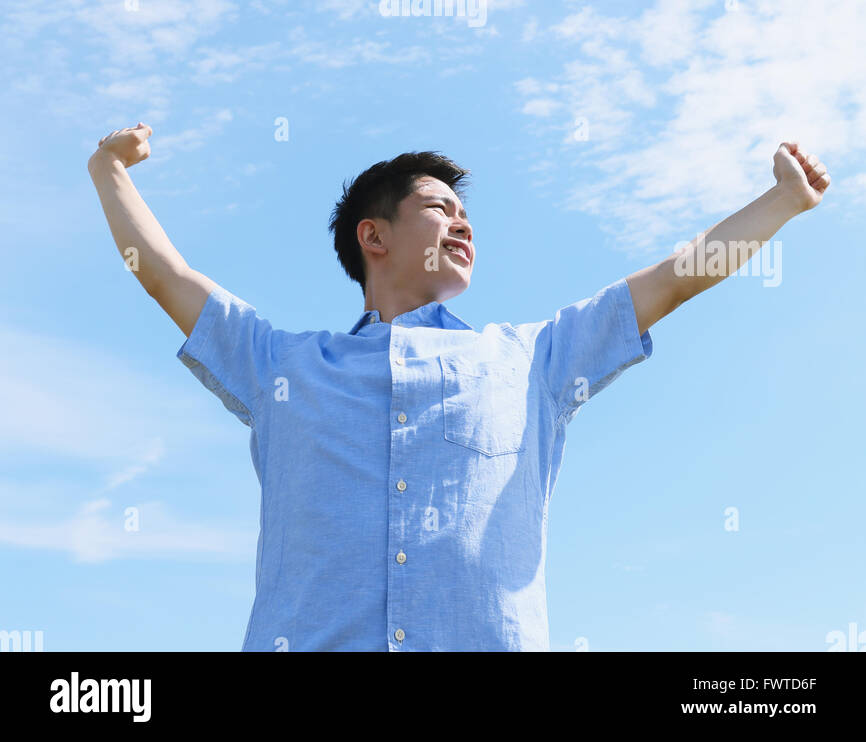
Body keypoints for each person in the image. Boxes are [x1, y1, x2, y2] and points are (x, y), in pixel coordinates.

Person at [87, 127, 830, 652]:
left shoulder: (534, 358)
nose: (464, 224)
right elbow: (164, 275)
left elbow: (673, 279)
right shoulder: (283, 367)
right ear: (372, 237)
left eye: (467, 214)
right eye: (442, 208)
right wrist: (108, 173)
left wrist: (782, 202)